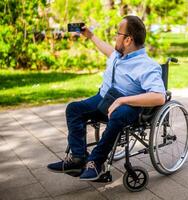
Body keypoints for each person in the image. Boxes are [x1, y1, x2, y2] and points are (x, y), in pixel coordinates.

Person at [47, 15, 166, 181]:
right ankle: (78, 158)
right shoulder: (119, 55)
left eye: (117, 33)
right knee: (73, 109)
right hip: (103, 100)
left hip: (127, 108)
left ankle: (96, 162)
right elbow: (106, 49)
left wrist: (122, 100)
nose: (114, 37)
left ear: (128, 40)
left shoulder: (147, 66)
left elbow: (159, 97)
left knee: (118, 115)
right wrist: (90, 35)